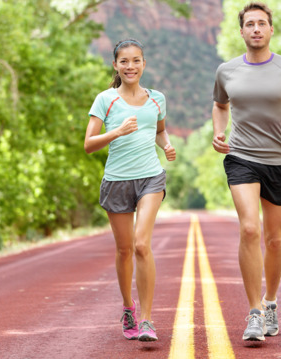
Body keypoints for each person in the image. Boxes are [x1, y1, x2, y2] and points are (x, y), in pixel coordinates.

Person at [212, 2, 281, 342]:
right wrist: (219, 131)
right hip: (242, 158)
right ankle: (255, 312)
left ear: (271, 30)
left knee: (275, 239)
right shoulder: (226, 71)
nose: (256, 29)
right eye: (250, 24)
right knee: (249, 229)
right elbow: (220, 104)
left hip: (280, 162)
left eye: (262, 23)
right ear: (241, 31)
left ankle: (271, 301)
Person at [84, 38, 176, 342]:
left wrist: (167, 145)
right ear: (115, 65)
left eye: (136, 60)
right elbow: (88, 145)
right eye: (124, 61)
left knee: (140, 244)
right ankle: (128, 308)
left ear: (144, 64)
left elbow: (160, 131)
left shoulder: (157, 99)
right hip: (117, 181)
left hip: (150, 176)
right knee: (124, 251)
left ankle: (147, 320)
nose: (130, 66)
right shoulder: (105, 99)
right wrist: (117, 132)